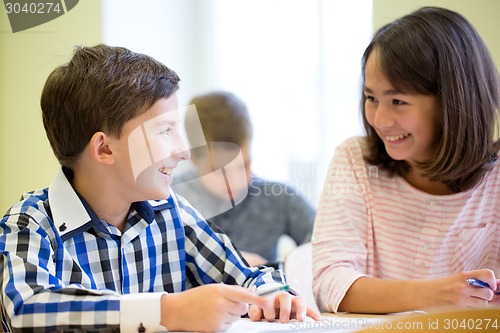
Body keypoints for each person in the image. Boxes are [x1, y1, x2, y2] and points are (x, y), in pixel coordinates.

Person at [0, 44, 321, 332]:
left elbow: (246, 277)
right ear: (105, 150)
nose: (182, 150)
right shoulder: (29, 224)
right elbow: (26, 309)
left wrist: (273, 295)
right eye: (165, 131)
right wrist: (167, 310)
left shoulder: (173, 212)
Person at [312, 6, 500, 314]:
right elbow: (330, 282)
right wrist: (439, 294)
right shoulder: (354, 160)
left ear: (453, 101)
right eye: (371, 98)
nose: (380, 119)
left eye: (398, 101)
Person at [173, 91, 315, 266]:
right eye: (219, 171)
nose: (235, 180)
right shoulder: (168, 200)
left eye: (244, 165)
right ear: (193, 157)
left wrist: (286, 267)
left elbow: (325, 245)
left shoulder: (278, 197)